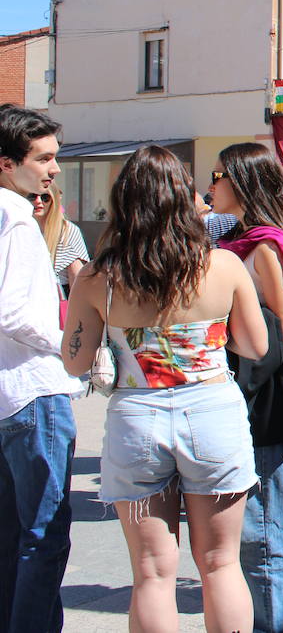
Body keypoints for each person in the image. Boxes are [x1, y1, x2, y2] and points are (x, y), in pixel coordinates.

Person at [61, 145, 270, 633]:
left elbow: (75, 361)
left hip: (137, 418)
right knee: (221, 563)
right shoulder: (222, 266)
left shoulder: (98, 277)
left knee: (152, 573)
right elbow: (256, 346)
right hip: (212, 413)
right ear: (185, 199)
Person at [212, 142, 283, 633]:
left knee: (264, 529)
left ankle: (277, 625)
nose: (211, 184)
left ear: (242, 182)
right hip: (258, 397)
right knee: (259, 525)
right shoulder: (248, 240)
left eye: (219, 175)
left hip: (265, 401)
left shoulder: (262, 247)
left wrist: (219, 332)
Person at [0, 104, 83, 632]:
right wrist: (69, 347)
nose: (53, 169)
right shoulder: (15, 217)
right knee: (44, 537)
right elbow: (12, 311)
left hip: (14, 394)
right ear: (7, 163)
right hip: (33, 392)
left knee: (15, 535)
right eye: (44, 158)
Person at [32, 185, 88, 296]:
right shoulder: (20, 228)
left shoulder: (67, 230)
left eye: (45, 197)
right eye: (32, 196)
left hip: (56, 300)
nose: (38, 201)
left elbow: (76, 280)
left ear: (54, 200)